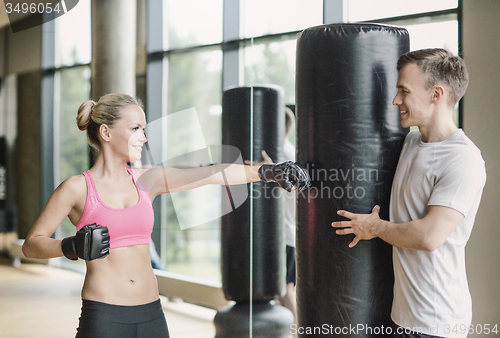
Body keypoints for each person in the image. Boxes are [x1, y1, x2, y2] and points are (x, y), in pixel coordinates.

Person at [21, 93, 310, 338]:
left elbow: (211, 174)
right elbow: (31, 244)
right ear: (106, 133)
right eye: (135, 129)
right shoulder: (77, 188)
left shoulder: (147, 179)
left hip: (151, 315)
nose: (143, 138)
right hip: (104, 316)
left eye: (144, 130)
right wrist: (70, 246)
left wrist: (264, 172)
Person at [332, 48, 486, 338]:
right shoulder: (412, 141)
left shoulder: (463, 159)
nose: (395, 101)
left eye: (404, 91)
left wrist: (374, 227)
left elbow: (429, 237)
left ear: (436, 94)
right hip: (403, 315)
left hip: (437, 322)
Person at [246, 106, 298, 321]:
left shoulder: (284, 154)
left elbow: (289, 179)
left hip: (285, 234)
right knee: (283, 291)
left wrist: (266, 168)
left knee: (286, 291)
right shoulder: (288, 151)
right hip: (286, 233)